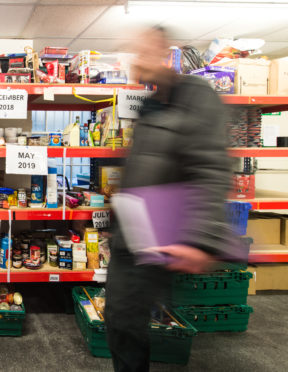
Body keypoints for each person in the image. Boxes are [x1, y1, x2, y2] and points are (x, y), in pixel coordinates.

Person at [104, 27, 231, 372]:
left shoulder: (196, 95)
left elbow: (212, 167)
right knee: (120, 319)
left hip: (167, 234)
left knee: (127, 320)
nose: (136, 62)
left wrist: (200, 239)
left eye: (142, 53)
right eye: (133, 54)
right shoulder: (150, 103)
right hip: (134, 234)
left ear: (163, 51)